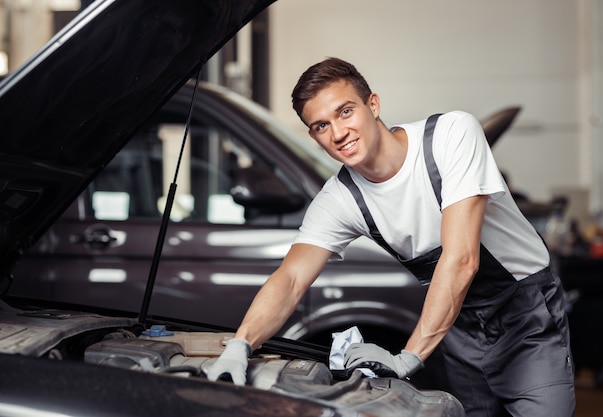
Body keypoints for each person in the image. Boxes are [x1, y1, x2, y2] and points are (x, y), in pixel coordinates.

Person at [207, 57, 576, 417]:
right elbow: (290, 279)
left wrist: (409, 356)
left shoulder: (450, 136)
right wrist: (241, 343)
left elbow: (462, 259)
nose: (337, 133)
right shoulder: (341, 198)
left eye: (345, 112)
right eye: (321, 126)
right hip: (458, 324)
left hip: (525, 314)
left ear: (374, 103)